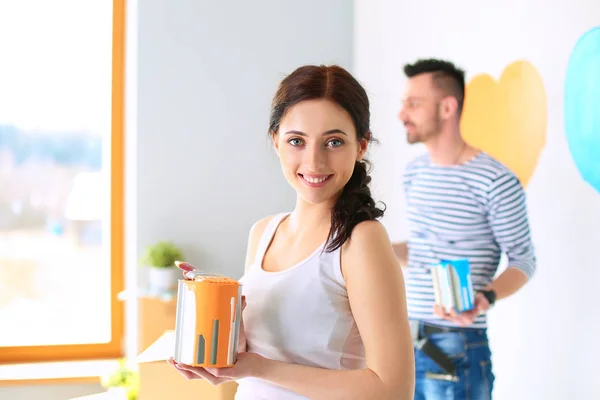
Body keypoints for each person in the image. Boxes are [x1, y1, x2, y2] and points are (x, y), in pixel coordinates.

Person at [168, 65, 416, 399]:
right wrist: (219, 342)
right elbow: (256, 354)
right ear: (276, 142)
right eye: (297, 141)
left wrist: (259, 368)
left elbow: (394, 389)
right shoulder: (263, 233)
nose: (314, 162)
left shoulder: (361, 240)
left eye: (334, 142)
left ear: (361, 146)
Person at [392, 58, 537, 399]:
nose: (402, 114)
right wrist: (374, 244)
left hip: (456, 347)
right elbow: (423, 250)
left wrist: (484, 297)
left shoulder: (494, 180)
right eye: (403, 104)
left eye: (413, 104)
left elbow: (524, 260)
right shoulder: (414, 173)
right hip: (405, 339)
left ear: (447, 107)